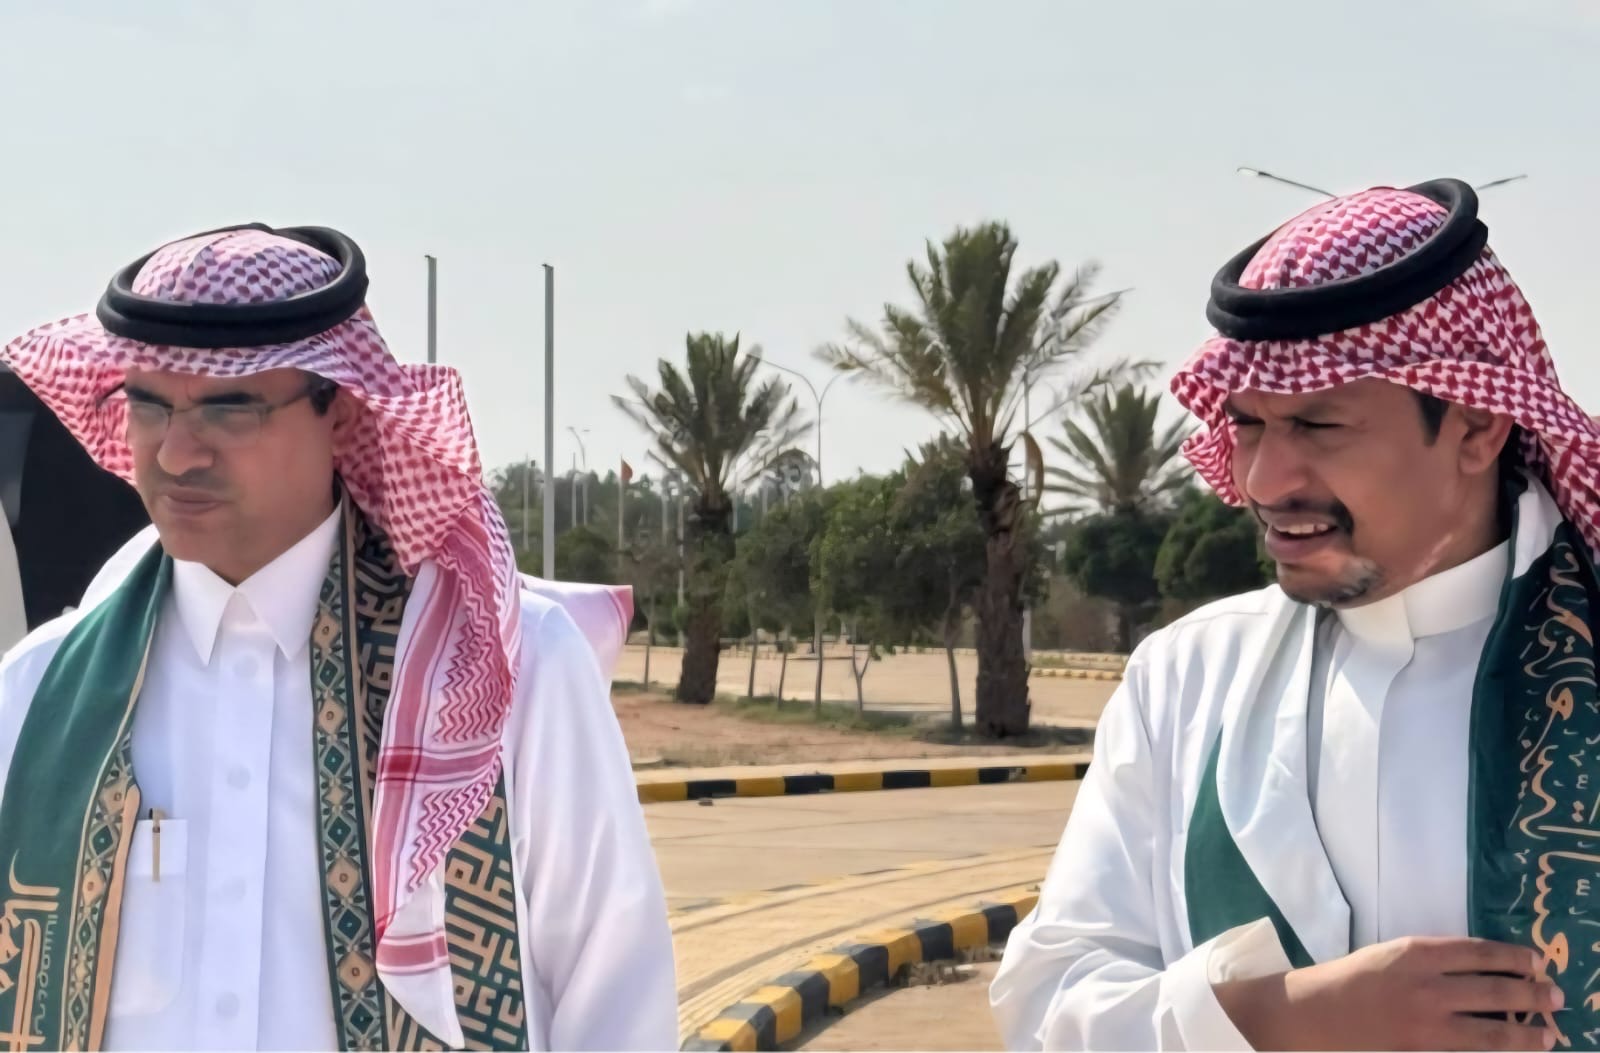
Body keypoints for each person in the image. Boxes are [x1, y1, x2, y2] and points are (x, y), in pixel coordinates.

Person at [0, 224, 676, 1051]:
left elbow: (617, 1002)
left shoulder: (508, 666)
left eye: (229, 407)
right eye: (148, 405)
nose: (175, 454)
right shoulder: (39, 696)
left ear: (344, 411)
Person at [991, 179, 1600, 1051]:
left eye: (1318, 424)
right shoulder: (1186, 679)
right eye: (1246, 424)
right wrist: (1287, 1017)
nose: (1262, 480)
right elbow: (1048, 1003)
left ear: (1475, 425)